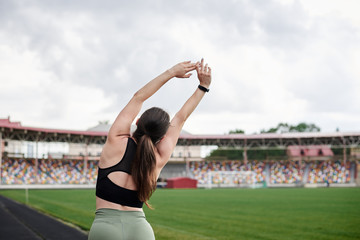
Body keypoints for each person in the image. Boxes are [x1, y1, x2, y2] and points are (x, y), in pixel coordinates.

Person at [88, 58, 212, 240]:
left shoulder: (116, 140)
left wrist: (171, 72)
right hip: (140, 230)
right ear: (162, 137)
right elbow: (180, 119)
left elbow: (139, 97)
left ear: (137, 122)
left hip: (105, 228)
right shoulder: (159, 156)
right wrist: (203, 86)